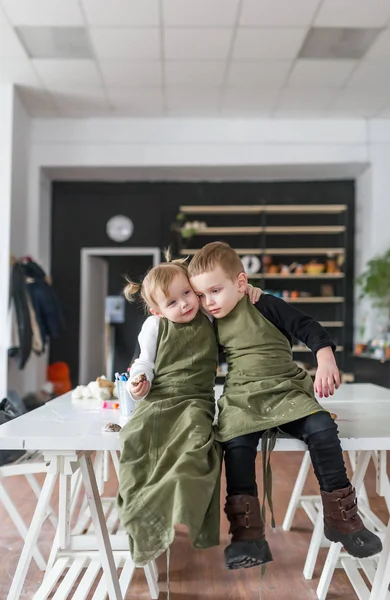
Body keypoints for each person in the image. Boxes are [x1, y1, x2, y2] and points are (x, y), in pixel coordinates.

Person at [188, 241, 382, 570]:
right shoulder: (212, 323)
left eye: (215, 291)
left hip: (285, 387)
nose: (209, 302)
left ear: (240, 283)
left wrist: (325, 358)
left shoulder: (264, 304)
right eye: (202, 295)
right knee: (235, 443)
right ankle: (247, 535)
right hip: (243, 396)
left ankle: (341, 518)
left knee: (321, 427)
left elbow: (307, 326)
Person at [117, 253, 260, 565]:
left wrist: (251, 292)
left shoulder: (209, 316)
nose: (184, 304)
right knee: (136, 439)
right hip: (160, 396)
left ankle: (178, 500)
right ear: (157, 310)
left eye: (187, 293)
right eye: (172, 302)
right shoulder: (154, 325)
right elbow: (144, 362)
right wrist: (137, 384)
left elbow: (232, 298)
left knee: (196, 441)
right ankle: (148, 507)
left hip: (196, 398)